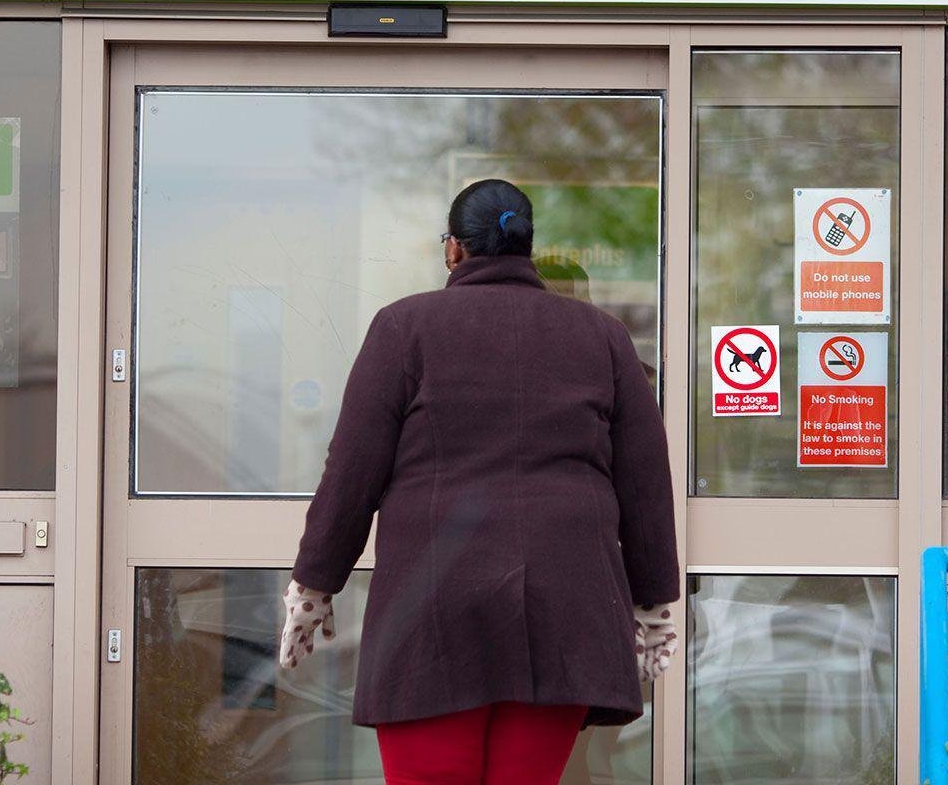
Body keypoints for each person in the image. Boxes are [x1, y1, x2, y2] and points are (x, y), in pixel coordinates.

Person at [279, 178, 680, 785]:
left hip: (433, 608)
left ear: (454, 251)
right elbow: (645, 483)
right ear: (527, 249)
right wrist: (653, 602)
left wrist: (314, 585)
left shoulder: (403, 328)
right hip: (564, 610)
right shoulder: (604, 338)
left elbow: (351, 472)